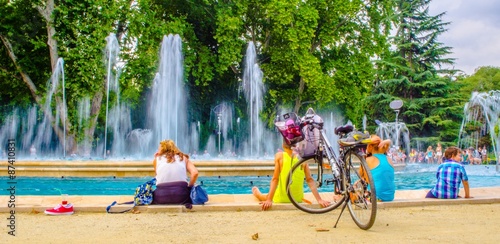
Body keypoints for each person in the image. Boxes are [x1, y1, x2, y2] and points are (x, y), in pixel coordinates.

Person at [251, 140, 330, 210]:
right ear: (296, 145)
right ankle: (257, 192)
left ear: (283, 145)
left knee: (263, 197)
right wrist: (319, 200)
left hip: (280, 198)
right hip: (297, 199)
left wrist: (269, 200)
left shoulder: (279, 156)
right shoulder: (302, 158)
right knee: (266, 196)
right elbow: (309, 180)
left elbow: (275, 179)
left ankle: (255, 191)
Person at [152, 140, 199, 205]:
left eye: (159, 148)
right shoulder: (183, 158)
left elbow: (158, 176)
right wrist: (190, 187)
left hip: (161, 197)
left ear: (162, 149)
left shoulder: (157, 160)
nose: (157, 150)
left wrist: (156, 159)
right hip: (182, 196)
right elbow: (195, 173)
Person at [361, 135, 395, 201]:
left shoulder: (368, 160)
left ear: (370, 146)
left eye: (367, 145)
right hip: (390, 197)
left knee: (353, 189)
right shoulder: (389, 159)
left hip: (376, 198)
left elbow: (365, 181)